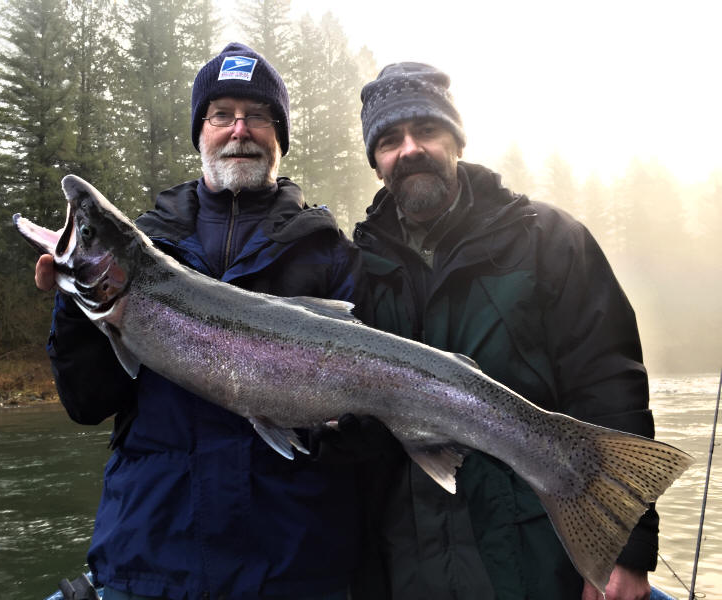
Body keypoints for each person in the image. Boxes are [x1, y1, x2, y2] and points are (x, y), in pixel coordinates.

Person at [34, 43, 363, 600]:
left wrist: (335, 428)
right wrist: (75, 300)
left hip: (292, 570)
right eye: (221, 115)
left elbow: (367, 438)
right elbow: (86, 403)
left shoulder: (331, 255)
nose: (240, 129)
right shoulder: (140, 248)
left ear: (278, 136)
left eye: (257, 115)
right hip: (149, 563)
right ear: (201, 133)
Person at [349, 62, 659, 600]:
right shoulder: (355, 268)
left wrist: (624, 551)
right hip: (407, 565)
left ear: (457, 142)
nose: (410, 149)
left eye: (426, 131)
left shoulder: (550, 240)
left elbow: (609, 388)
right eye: (390, 140)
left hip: (535, 565)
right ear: (377, 164)